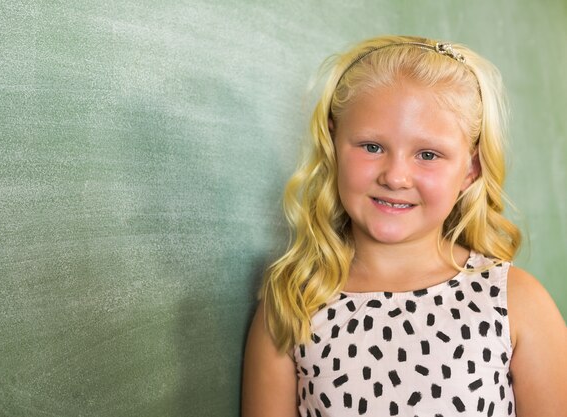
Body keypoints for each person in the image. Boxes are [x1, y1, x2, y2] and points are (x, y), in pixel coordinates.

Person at [242, 35, 566, 417]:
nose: (395, 177)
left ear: (470, 169)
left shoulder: (517, 303)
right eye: (371, 146)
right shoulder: (292, 305)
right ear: (332, 143)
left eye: (428, 154)